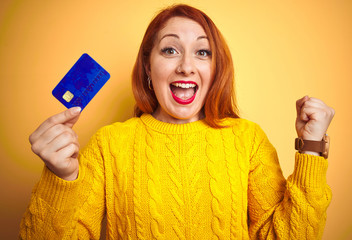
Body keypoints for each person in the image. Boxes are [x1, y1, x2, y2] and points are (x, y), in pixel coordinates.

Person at [20, 4, 335, 239]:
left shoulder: (247, 140)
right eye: (170, 49)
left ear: (216, 68)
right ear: (147, 66)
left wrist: (310, 150)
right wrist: (59, 179)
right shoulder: (109, 145)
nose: (186, 66)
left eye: (202, 52)